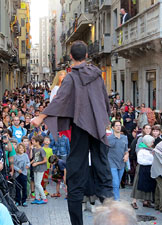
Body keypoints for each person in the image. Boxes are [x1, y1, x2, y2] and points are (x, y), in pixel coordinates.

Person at [31, 40, 113, 225]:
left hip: (81, 128)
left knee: (75, 176)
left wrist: (41, 117)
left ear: (70, 57)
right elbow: (104, 101)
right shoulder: (98, 75)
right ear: (86, 56)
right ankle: (111, 218)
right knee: (103, 172)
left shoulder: (71, 77)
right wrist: (104, 121)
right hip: (98, 128)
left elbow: (59, 101)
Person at [107, 120, 129, 201]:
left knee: (117, 183)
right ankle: (117, 200)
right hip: (112, 163)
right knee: (115, 183)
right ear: (113, 128)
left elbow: (126, 150)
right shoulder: (108, 138)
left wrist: (126, 155)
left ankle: (111, 197)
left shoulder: (124, 138)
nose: (118, 127)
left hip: (121, 163)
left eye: (119, 125)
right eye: (116, 125)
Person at [136, 135, 155, 208]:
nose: (152, 144)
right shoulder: (142, 150)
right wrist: (151, 162)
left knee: (150, 185)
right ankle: (145, 201)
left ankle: (148, 200)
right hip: (144, 169)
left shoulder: (151, 150)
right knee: (145, 186)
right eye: (151, 142)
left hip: (150, 169)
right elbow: (140, 161)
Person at [30, 136, 47, 204]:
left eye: (33, 141)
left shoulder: (41, 150)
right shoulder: (34, 149)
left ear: (37, 142)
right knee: (36, 183)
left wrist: (37, 163)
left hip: (41, 168)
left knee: (37, 183)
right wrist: (29, 163)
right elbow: (34, 158)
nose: (32, 142)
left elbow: (45, 160)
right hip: (35, 168)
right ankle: (37, 198)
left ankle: (44, 198)